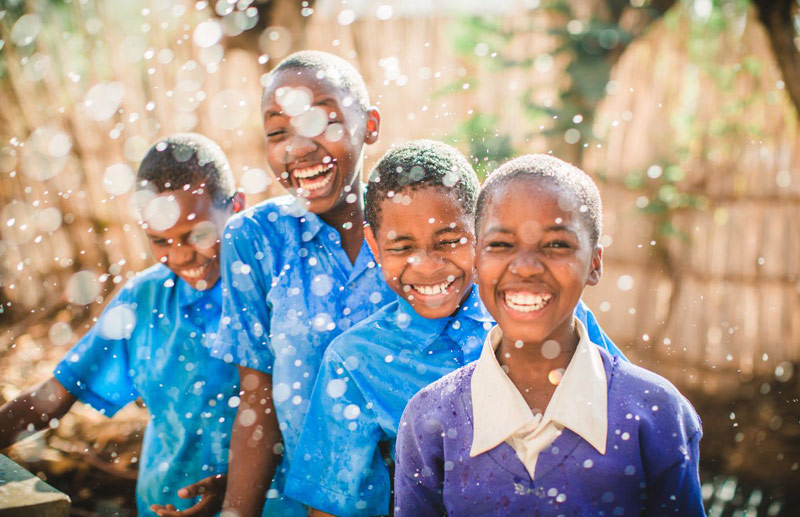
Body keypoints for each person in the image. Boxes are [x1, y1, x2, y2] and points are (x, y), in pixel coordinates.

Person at [284, 141, 626, 516]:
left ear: (481, 233)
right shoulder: (355, 361)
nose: (428, 266)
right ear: (374, 246)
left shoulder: (543, 311)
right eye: (401, 247)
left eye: (448, 242)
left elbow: (627, 415)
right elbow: (334, 506)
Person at [394, 154, 705, 516]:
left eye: (556, 245)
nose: (526, 266)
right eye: (501, 245)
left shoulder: (654, 413)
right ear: (476, 260)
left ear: (595, 263)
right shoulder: (430, 419)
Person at [0, 133, 246, 516]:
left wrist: (240, 485)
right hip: (165, 501)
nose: (180, 256)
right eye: (160, 241)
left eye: (197, 234)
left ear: (236, 207)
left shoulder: (268, 292)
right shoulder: (144, 300)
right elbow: (55, 395)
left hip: (268, 503)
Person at [210, 50, 394, 516]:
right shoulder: (257, 240)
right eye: (278, 132)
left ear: (370, 125)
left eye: (323, 122)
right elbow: (258, 396)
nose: (298, 147)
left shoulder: (416, 234)